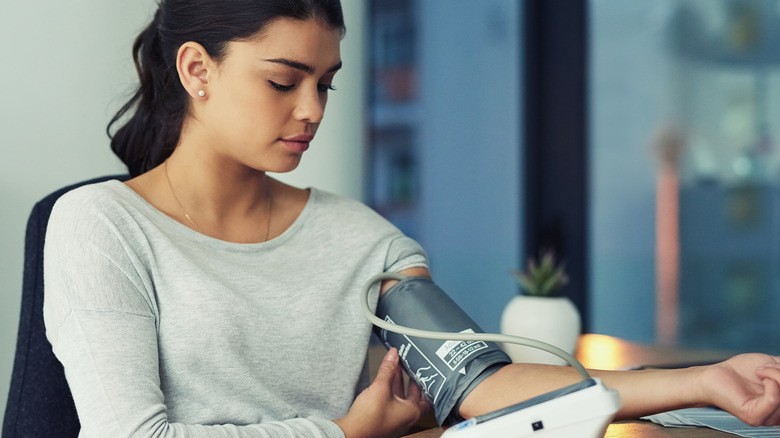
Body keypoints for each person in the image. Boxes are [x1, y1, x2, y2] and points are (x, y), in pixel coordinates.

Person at [42, 0, 780, 437]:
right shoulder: (99, 225)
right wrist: (343, 433)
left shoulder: (363, 240)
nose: (311, 112)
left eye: (325, 85)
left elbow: (481, 385)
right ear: (197, 71)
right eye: (282, 81)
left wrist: (701, 381)